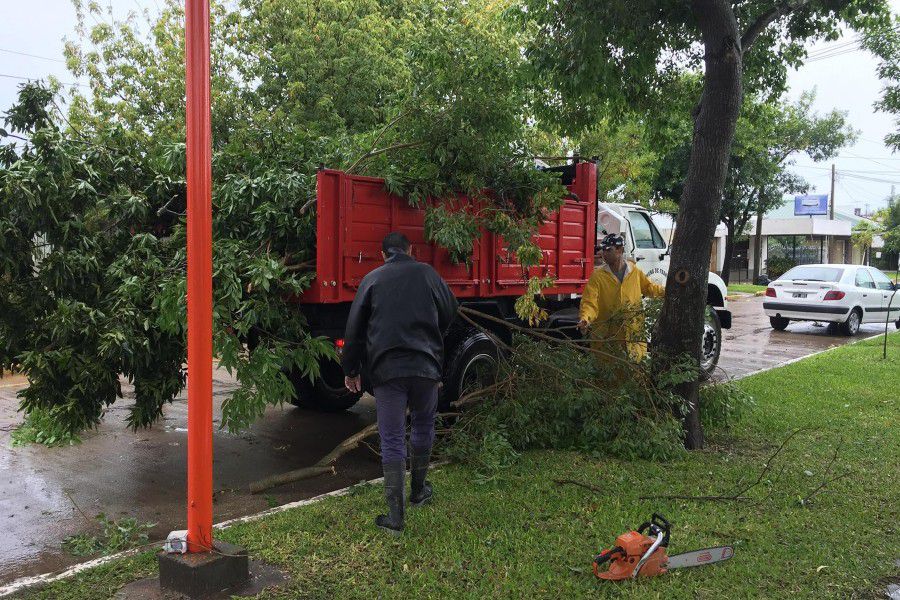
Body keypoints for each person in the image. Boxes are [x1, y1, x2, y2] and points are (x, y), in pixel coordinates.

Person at [342, 232, 459, 535]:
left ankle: (395, 518)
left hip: (387, 372)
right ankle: (419, 492)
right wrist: (433, 339)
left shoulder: (372, 279)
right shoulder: (428, 274)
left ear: (383, 255)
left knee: (392, 437)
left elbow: (353, 330)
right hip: (425, 368)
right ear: (411, 250)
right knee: (423, 426)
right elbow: (450, 311)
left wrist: (351, 370)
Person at [578, 233, 665, 365]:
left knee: (634, 374)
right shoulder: (598, 276)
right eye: (603, 250)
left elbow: (649, 288)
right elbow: (590, 302)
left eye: (609, 250)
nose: (604, 253)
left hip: (632, 334)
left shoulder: (634, 272)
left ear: (620, 250)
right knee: (607, 376)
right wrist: (585, 318)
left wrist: (668, 292)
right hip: (607, 337)